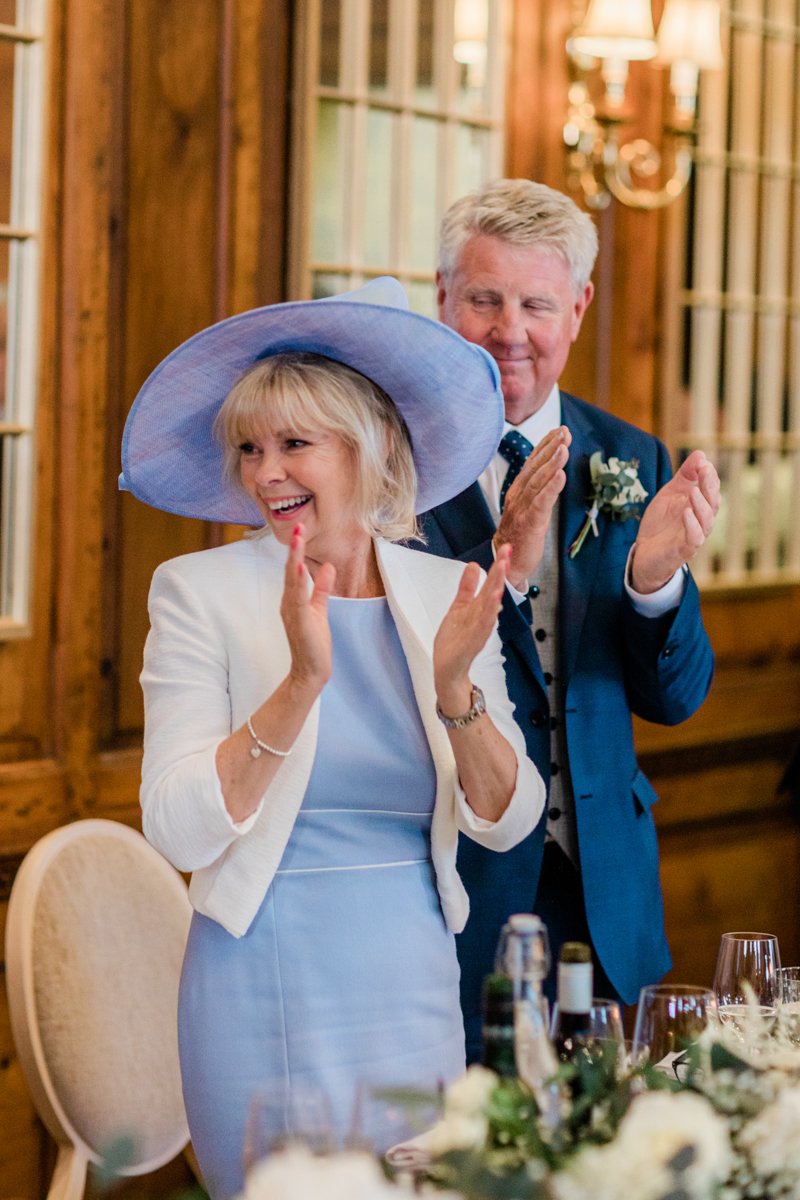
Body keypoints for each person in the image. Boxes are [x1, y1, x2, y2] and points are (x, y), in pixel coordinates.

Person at [119, 277, 544, 1199]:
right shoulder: (199, 592)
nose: (266, 473)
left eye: (295, 444)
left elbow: (508, 822)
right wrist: (302, 682)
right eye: (250, 449)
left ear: (371, 447)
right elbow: (179, 831)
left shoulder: (444, 594)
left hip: (412, 978)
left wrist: (454, 689)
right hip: (259, 980)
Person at [419, 178, 720, 1059]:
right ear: (442, 297)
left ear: (579, 309)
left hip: (606, 892)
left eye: (537, 304)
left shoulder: (630, 458)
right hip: (462, 889)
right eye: (484, 299)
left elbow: (676, 700)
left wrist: (653, 580)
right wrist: (499, 563)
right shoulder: (396, 463)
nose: (510, 331)